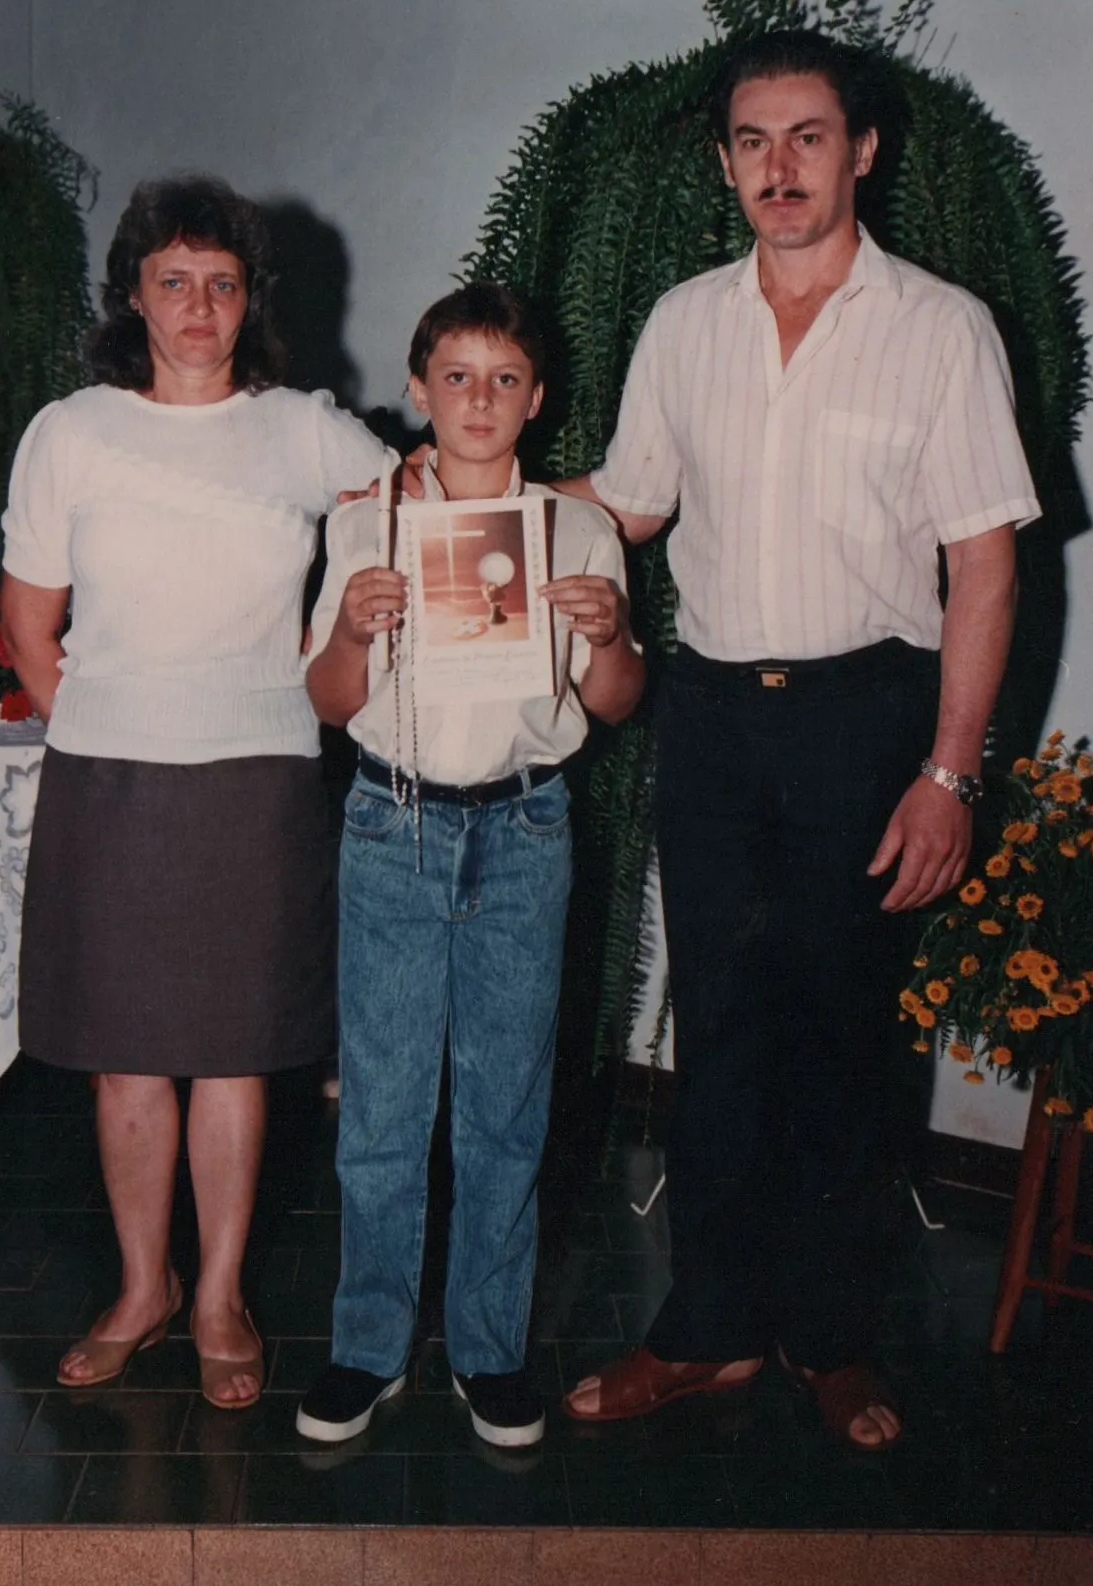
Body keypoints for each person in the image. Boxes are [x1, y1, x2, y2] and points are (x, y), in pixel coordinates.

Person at [557, 29, 1040, 1449]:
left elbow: (986, 567)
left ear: (860, 149)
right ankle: (702, 1330)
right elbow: (629, 504)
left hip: (864, 719)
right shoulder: (681, 321)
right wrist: (462, 494)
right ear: (722, 161)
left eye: (807, 137)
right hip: (709, 718)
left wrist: (947, 773)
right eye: (752, 142)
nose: (778, 168)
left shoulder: (938, 328)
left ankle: (829, 1339)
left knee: (837, 1042)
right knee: (716, 1035)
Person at [0, 175, 388, 1409]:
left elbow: (418, 509)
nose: (200, 306)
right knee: (127, 1059)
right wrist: (100, 720)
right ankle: (140, 1285)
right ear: (133, 295)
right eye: (174, 281)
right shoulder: (71, 430)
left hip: (258, 770)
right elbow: (27, 613)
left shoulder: (304, 426)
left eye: (223, 283)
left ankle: (219, 1294)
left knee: (232, 1056)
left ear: (249, 298)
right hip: (111, 773)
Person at [295, 283, 644, 1448]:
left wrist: (606, 636)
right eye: (456, 376)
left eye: (504, 380)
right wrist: (353, 627)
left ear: (537, 399)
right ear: (417, 390)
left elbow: (615, 700)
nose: (479, 399)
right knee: (383, 1109)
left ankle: (488, 1350)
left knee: (504, 1108)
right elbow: (330, 701)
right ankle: (367, 1345)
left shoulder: (576, 532)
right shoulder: (366, 524)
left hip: (524, 829)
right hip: (391, 828)